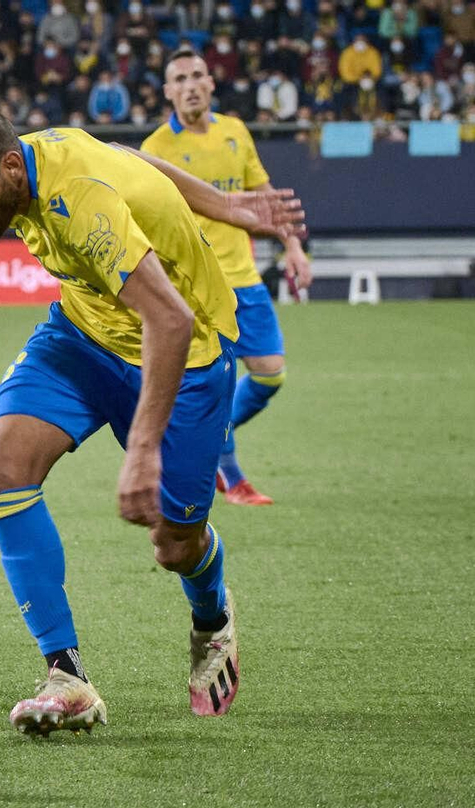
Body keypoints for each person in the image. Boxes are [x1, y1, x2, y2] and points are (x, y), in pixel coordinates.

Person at [0, 108, 302, 735]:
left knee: (173, 544)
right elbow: (135, 161)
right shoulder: (43, 153)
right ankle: (65, 675)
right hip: (83, 335)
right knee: (1, 464)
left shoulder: (79, 204)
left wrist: (142, 450)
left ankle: (212, 619)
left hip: (184, 357)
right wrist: (227, 207)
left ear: (10, 167)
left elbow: (172, 320)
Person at [142, 50, 311, 507]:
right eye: (180, 78)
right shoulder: (155, 150)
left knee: (270, 375)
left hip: (245, 277)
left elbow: (264, 197)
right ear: (167, 91)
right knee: (214, 382)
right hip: (195, 286)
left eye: (198, 75)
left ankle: (211, 439)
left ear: (212, 83)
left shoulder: (235, 132)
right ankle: (232, 476)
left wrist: (292, 246)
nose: (191, 84)